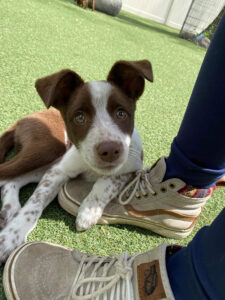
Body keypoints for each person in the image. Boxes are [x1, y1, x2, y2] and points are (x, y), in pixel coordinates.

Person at [3, 12, 225, 300]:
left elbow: (132, 171)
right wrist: (20, 225)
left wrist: (97, 198)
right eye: (81, 116)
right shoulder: (67, 132)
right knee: (52, 161)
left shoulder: (132, 155)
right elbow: (54, 174)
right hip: (48, 136)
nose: (107, 141)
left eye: (120, 112)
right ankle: (9, 188)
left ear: (134, 93)